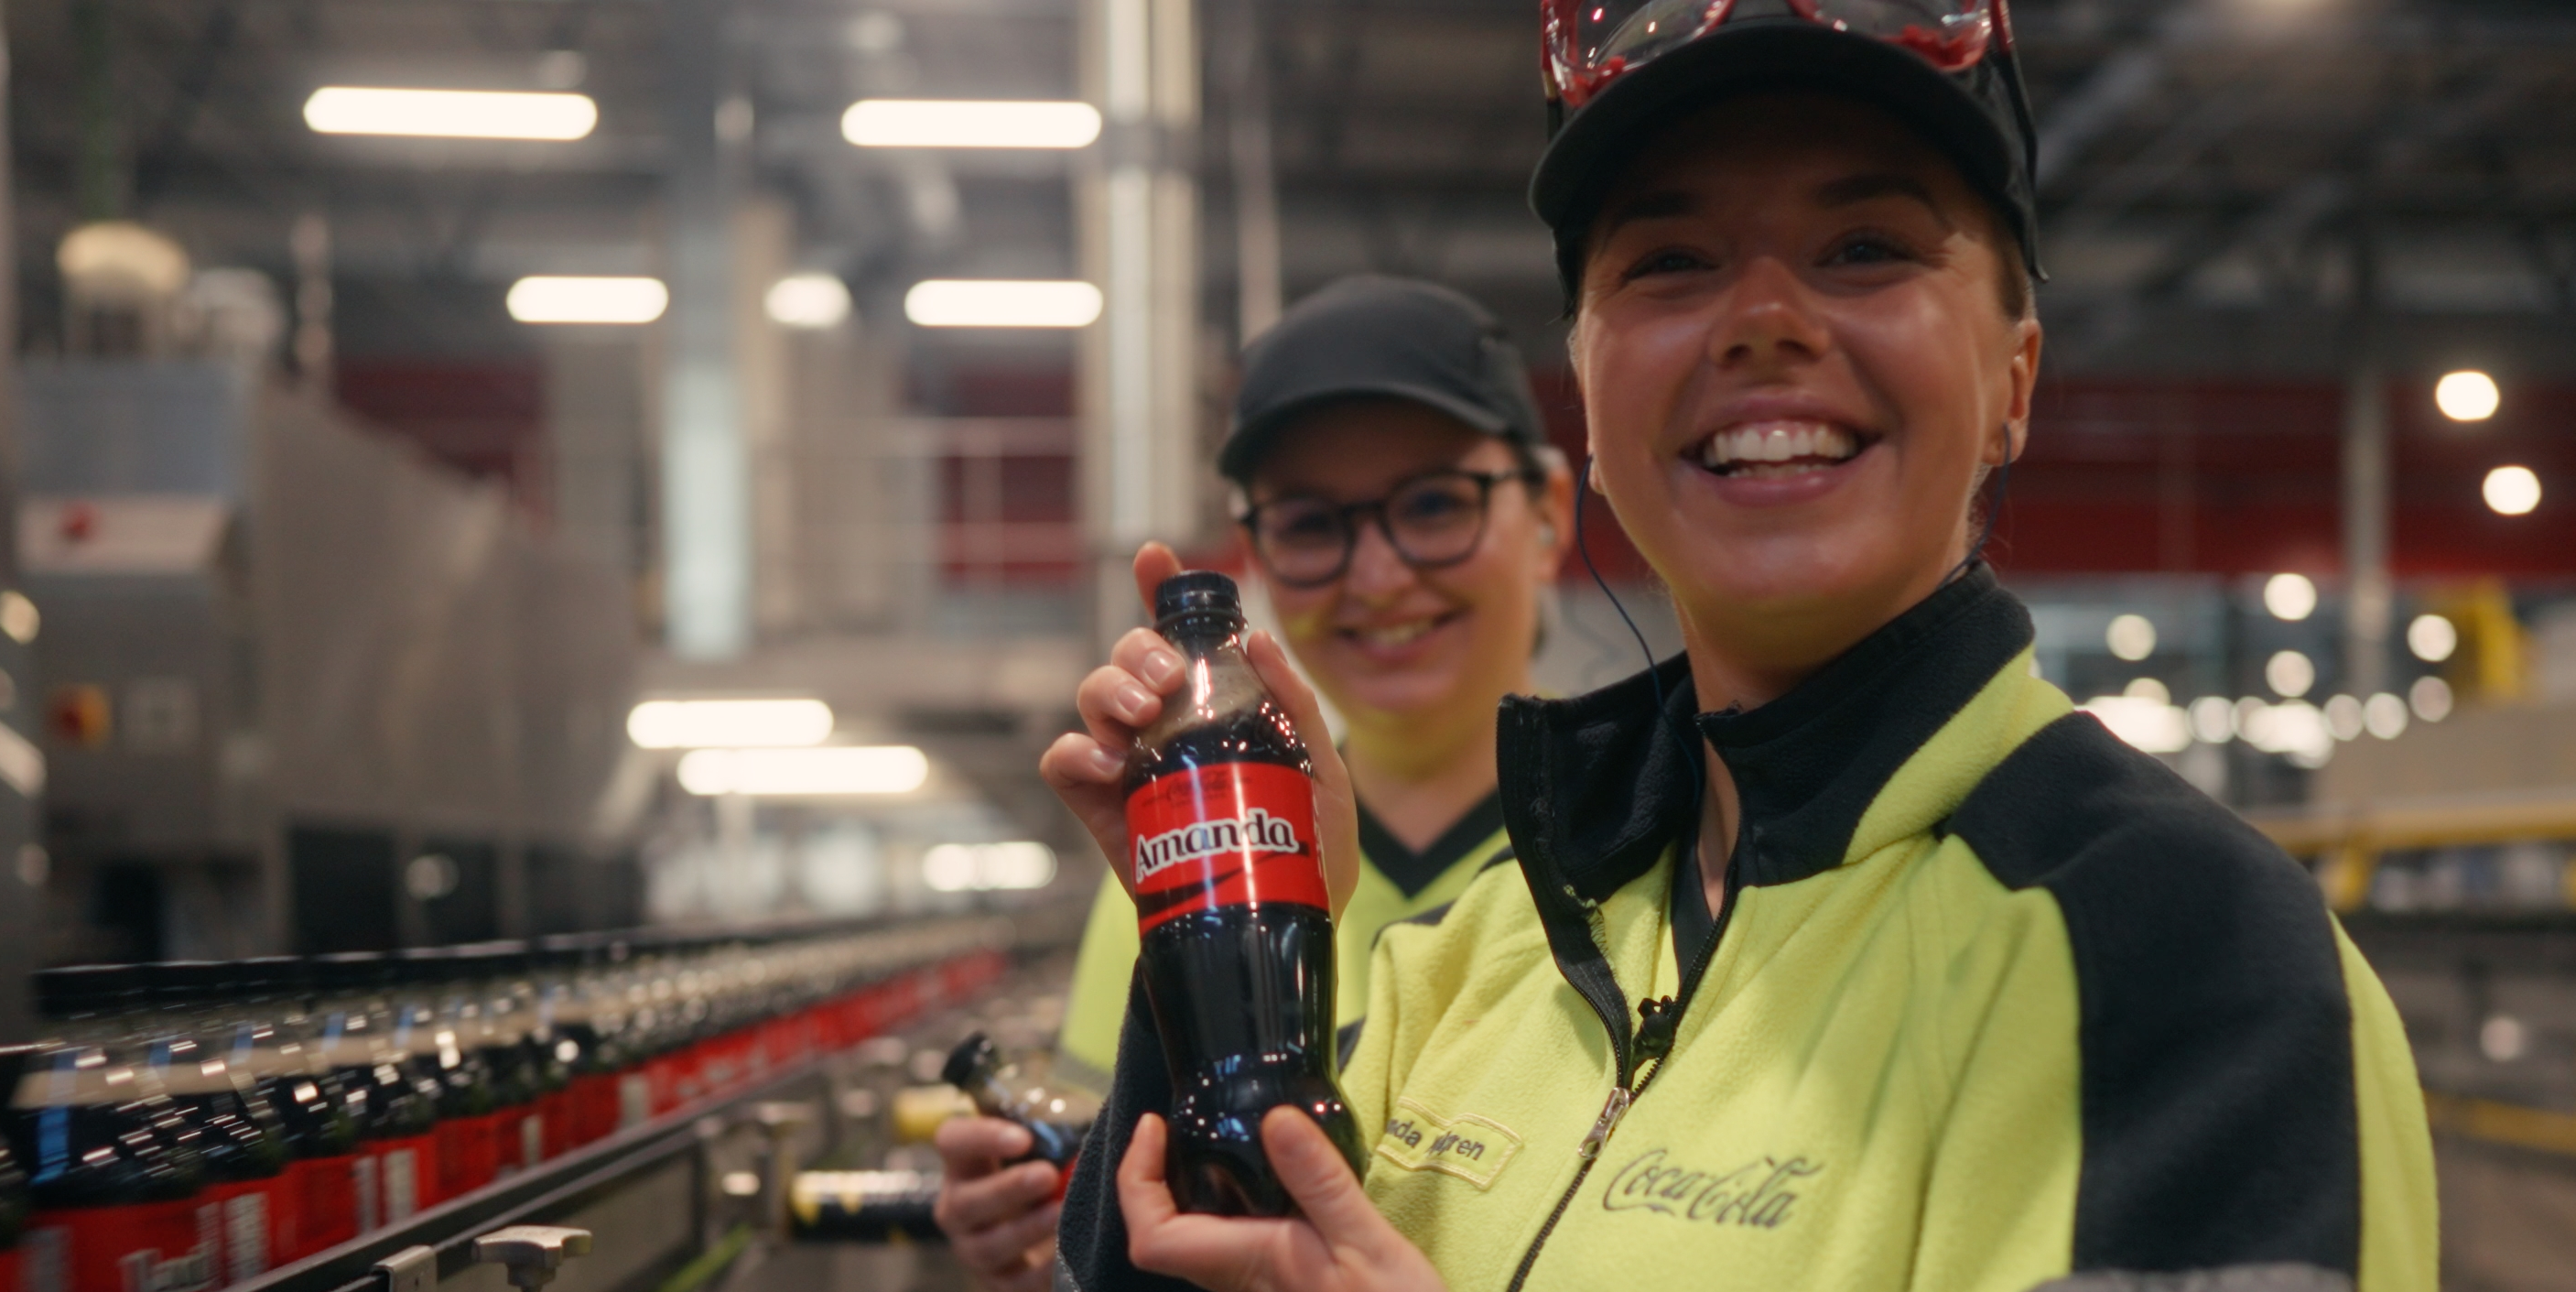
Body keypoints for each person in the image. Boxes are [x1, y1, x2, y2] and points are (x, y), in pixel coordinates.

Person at [1042, 3, 2443, 1288]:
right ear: (1589, 400)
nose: (1765, 320)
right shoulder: (1468, 957)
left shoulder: (2180, 957)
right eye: (1670, 262)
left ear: (2015, 380)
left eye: (1865, 247)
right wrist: (1222, 946)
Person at [931, 276, 1575, 1292]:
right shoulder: (1175, 875)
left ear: (1548, 513)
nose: (1378, 575)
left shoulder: (1652, 858)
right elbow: (1124, 1203)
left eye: (1435, 503)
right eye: (1313, 525)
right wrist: (1042, 1234)